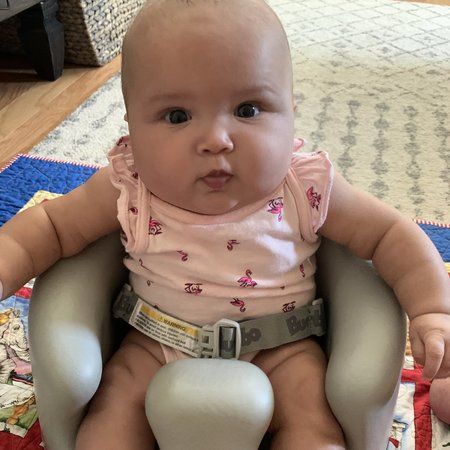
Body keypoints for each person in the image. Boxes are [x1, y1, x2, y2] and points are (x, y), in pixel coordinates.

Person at [1, 0, 449, 448]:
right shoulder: (130, 184)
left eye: (248, 109)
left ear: (291, 110)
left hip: (284, 349)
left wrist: (433, 310)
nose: (216, 140)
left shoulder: (305, 185)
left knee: (316, 431)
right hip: (153, 344)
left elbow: (390, 234)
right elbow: (50, 228)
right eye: (178, 116)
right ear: (132, 126)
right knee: (107, 428)